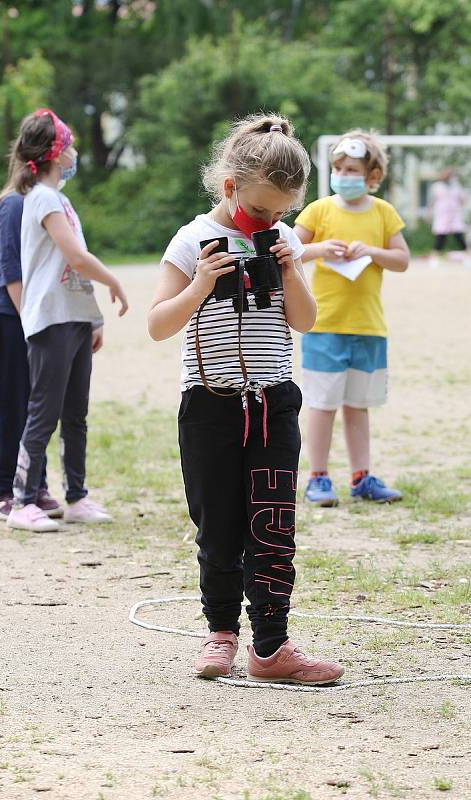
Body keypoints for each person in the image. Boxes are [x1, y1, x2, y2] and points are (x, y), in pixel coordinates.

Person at [148, 113, 344, 685]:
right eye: (261, 210)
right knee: (219, 524)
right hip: (211, 406)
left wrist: (289, 272)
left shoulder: (283, 240)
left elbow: (305, 321)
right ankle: (220, 634)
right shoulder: (190, 240)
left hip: (274, 403)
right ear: (230, 187)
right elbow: (159, 324)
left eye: (282, 211)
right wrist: (202, 282)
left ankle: (271, 646)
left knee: (274, 523)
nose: (271, 220)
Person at [5, 108, 128, 533]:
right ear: (56, 153)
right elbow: (75, 255)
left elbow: (72, 269)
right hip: (50, 320)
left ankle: (76, 496)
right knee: (45, 411)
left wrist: (92, 318)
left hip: (73, 318)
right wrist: (114, 280)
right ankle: (22, 500)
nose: (75, 152)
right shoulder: (41, 197)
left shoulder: (62, 200)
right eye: (70, 146)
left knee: (76, 413)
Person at [293, 129, 409, 508]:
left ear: (373, 176)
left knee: (357, 406)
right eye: (338, 167)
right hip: (324, 325)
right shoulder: (319, 210)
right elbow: (290, 250)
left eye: (352, 169)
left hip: (368, 327)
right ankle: (319, 478)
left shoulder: (383, 212)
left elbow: (402, 260)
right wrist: (321, 248)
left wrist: (374, 251)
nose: (343, 175)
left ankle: (361, 477)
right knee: (322, 405)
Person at [0, 166, 61, 522]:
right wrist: (30, 322)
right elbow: (11, 272)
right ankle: (1, 488)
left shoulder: (45, 202)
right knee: (11, 404)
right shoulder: (13, 204)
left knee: (37, 405)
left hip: (36, 318)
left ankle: (33, 484)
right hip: (11, 317)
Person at [427, 168, 468, 265]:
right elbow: (432, 202)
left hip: (455, 215)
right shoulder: (436, 187)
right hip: (442, 215)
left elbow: (463, 200)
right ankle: (433, 258)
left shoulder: (457, 186)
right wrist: (428, 214)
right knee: (440, 237)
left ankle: (467, 257)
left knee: (459, 237)